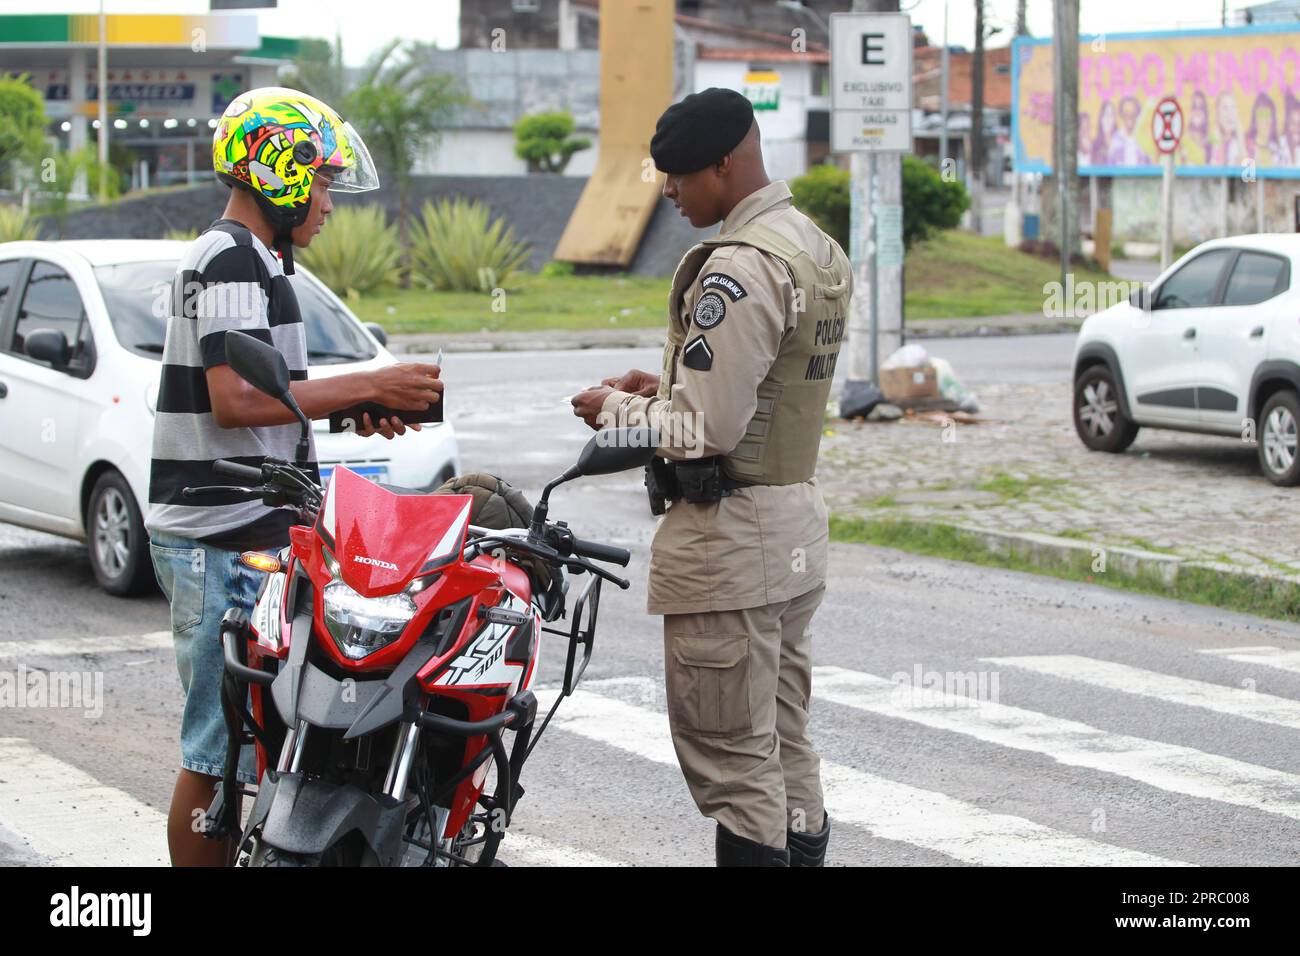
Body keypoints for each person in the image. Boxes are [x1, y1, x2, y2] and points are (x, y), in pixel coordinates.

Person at [146, 87, 444, 866]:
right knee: (220, 751)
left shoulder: (262, 263)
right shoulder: (228, 256)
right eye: (320, 184)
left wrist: (356, 410)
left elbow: (272, 402)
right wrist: (368, 382)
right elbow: (236, 397)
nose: (328, 204)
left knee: (255, 739)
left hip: (253, 532)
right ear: (277, 173)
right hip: (218, 536)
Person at [570, 88, 850, 867]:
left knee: (733, 760)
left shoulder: (741, 266)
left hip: (733, 543)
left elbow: (707, 429)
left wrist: (617, 411)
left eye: (678, 176)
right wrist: (659, 391)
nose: (667, 191)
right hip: (792, 521)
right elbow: (766, 390)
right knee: (784, 737)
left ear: (724, 166)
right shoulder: (814, 248)